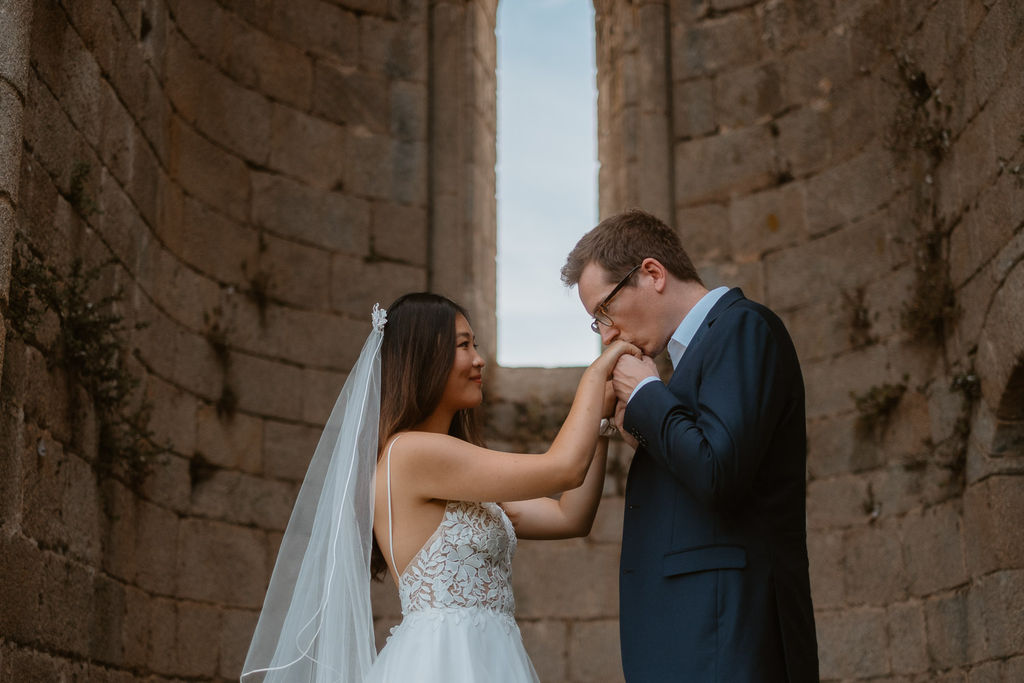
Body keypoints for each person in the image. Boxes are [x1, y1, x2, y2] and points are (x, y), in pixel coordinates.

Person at [241, 292, 636, 683]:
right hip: (443, 661)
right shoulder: (411, 453)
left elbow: (570, 517)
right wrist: (596, 372)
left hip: (490, 657)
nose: (479, 359)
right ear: (424, 357)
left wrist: (600, 424)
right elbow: (563, 469)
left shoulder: (449, 467)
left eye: (475, 345)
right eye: (464, 345)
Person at [562, 209, 819, 682]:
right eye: (595, 323)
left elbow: (717, 470)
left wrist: (645, 395)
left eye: (604, 311)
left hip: (727, 639)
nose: (607, 335)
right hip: (690, 640)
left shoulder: (742, 327)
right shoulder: (687, 364)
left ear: (652, 273)